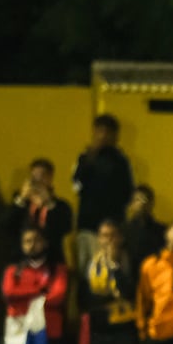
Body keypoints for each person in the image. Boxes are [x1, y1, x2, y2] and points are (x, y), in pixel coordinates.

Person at [2, 227, 69, 344]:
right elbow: (9, 294)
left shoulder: (58, 269)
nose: (32, 245)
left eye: (36, 240)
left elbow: (58, 296)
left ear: (45, 242)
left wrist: (26, 294)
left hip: (50, 336)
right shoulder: (13, 271)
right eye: (27, 241)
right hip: (20, 338)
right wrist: (40, 291)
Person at [83, 219, 138, 344]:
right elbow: (87, 298)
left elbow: (129, 292)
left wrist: (114, 266)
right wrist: (109, 298)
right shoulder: (91, 264)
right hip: (99, 329)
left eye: (112, 236)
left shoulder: (128, 261)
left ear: (120, 238)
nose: (108, 241)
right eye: (103, 236)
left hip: (123, 330)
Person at [72, 113, 135, 274]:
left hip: (112, 228)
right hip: (87, 226)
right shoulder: (84, 158)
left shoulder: (121, 162)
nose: (103, 136)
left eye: (107, 132)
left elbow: (127, 193)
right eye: (99, 131)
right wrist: (90, 157)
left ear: (115, 136)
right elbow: (76, 186)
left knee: (108, 271)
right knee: (84, 272)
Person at [5, 158, 73, 266]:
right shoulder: (22, 204)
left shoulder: (60, 206)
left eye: (42, 176)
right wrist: (21, 199)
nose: (38, 180)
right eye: (34, 176)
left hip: (51, 262)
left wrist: (49, 203)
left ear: (50, 178)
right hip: (22, 262)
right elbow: (6, 226)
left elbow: (65, 228)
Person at [124, 184, 166, 273]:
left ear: (152, 203)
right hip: (135, 280)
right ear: (131, 204)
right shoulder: (124, 231)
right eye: (137, 200)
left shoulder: (162, 230)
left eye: (145, 199)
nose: (142, 203)